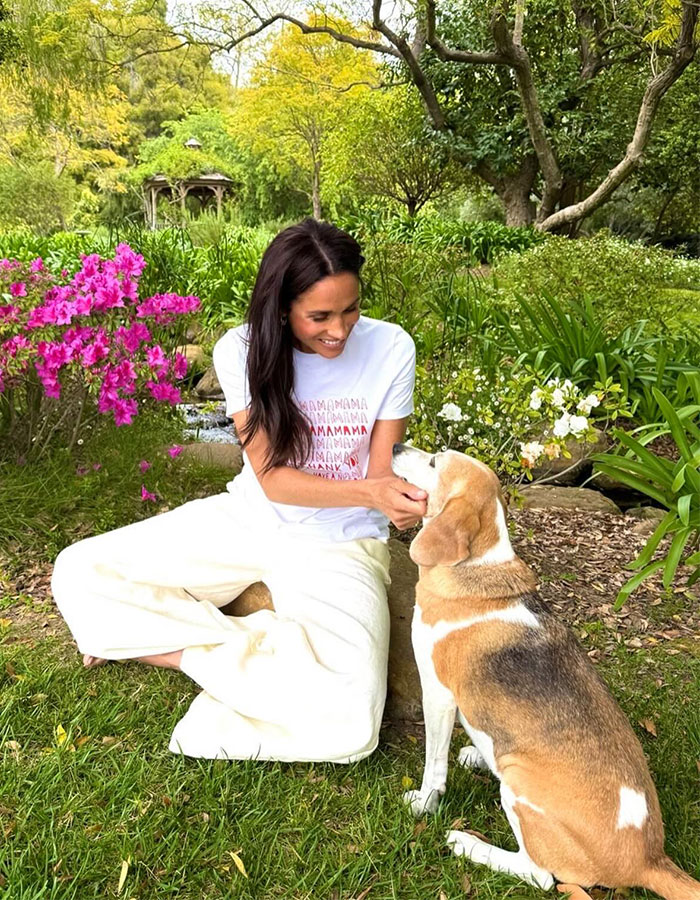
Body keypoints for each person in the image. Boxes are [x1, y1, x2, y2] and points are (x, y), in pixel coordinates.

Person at [51, 218, 427, 762]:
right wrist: (373, 492)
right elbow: (273, 480)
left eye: (351, 309)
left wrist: (395, 502)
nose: (340, 331)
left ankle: (150, 640)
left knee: (352, 727)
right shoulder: (242, 349)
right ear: (281, 308)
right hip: (249, 520)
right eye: (319, 316)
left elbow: (380, 473)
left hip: (341, 541)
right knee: (79, 571)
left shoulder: (391, 347)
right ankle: (220, 649)